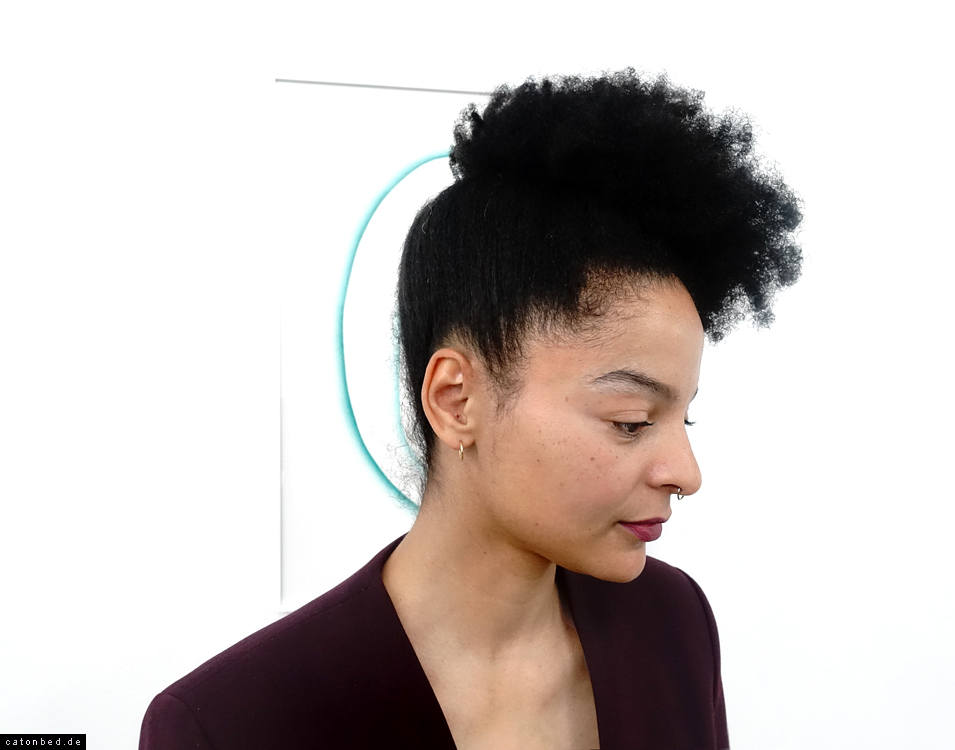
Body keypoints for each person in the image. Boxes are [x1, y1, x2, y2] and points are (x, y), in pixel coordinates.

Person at [139, 70, 801, 750]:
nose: (686, 474)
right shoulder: (230, 725)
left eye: (682, 418)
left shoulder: (671, 624)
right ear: (456, 400)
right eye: (630, 421)